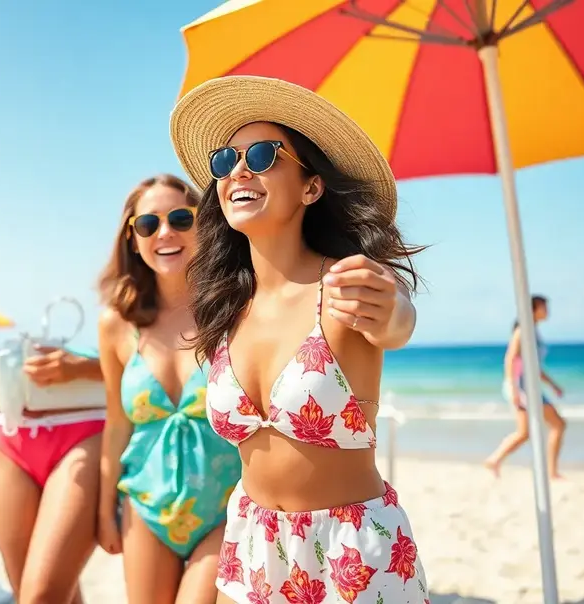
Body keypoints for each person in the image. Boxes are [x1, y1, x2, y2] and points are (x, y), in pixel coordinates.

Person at [170, 76, 428, 603]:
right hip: (253, 542)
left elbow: (395, 322)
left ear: (311, 187)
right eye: (226, 160)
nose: (238, 170)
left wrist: (396, 312)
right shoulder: (225, 308)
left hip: (351, 552)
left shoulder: (344, 286)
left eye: (263, 155)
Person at [97, 174, 242, 603]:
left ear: (204, 223)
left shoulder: (233, 306)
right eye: (148, 224)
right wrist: (105, 508)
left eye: (181, 218)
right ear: (132, 237)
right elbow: (117, 422)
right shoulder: (117, 323)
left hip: (226, 506)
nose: (165, 233)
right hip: (145, 505)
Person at [0, 343, 106, 604]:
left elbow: (149, 358)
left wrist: (88, 368)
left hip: (88, 425)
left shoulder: (122, 304)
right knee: (31, 592)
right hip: (9, 429)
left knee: (41, 596)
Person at [484, 294, 567, 479]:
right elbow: (510, 358)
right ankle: (551, 472)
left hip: (531, 387)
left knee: (541, 429)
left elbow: (533, 367)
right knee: (550, 426)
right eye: (544, 307)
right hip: (521, 387)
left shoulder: (533, 331)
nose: (547, 311)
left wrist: (553, 385)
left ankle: (495, 460)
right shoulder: (523, 330)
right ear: (533, 309)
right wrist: (513, 388)